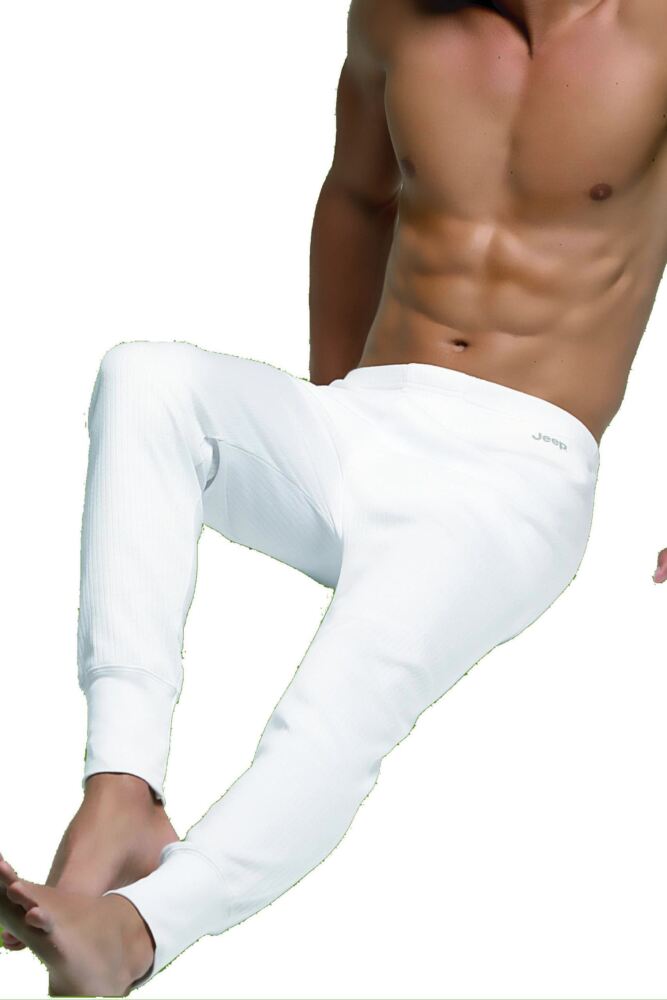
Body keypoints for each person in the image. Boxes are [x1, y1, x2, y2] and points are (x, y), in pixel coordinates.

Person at [1, 0, 666, 993]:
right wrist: (328, 418)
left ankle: (138, 930)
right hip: (371, 416)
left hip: (520, 467)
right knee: (146, 378)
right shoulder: (395, 12)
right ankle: (121, 788)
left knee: (346, 685)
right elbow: (357, 196)